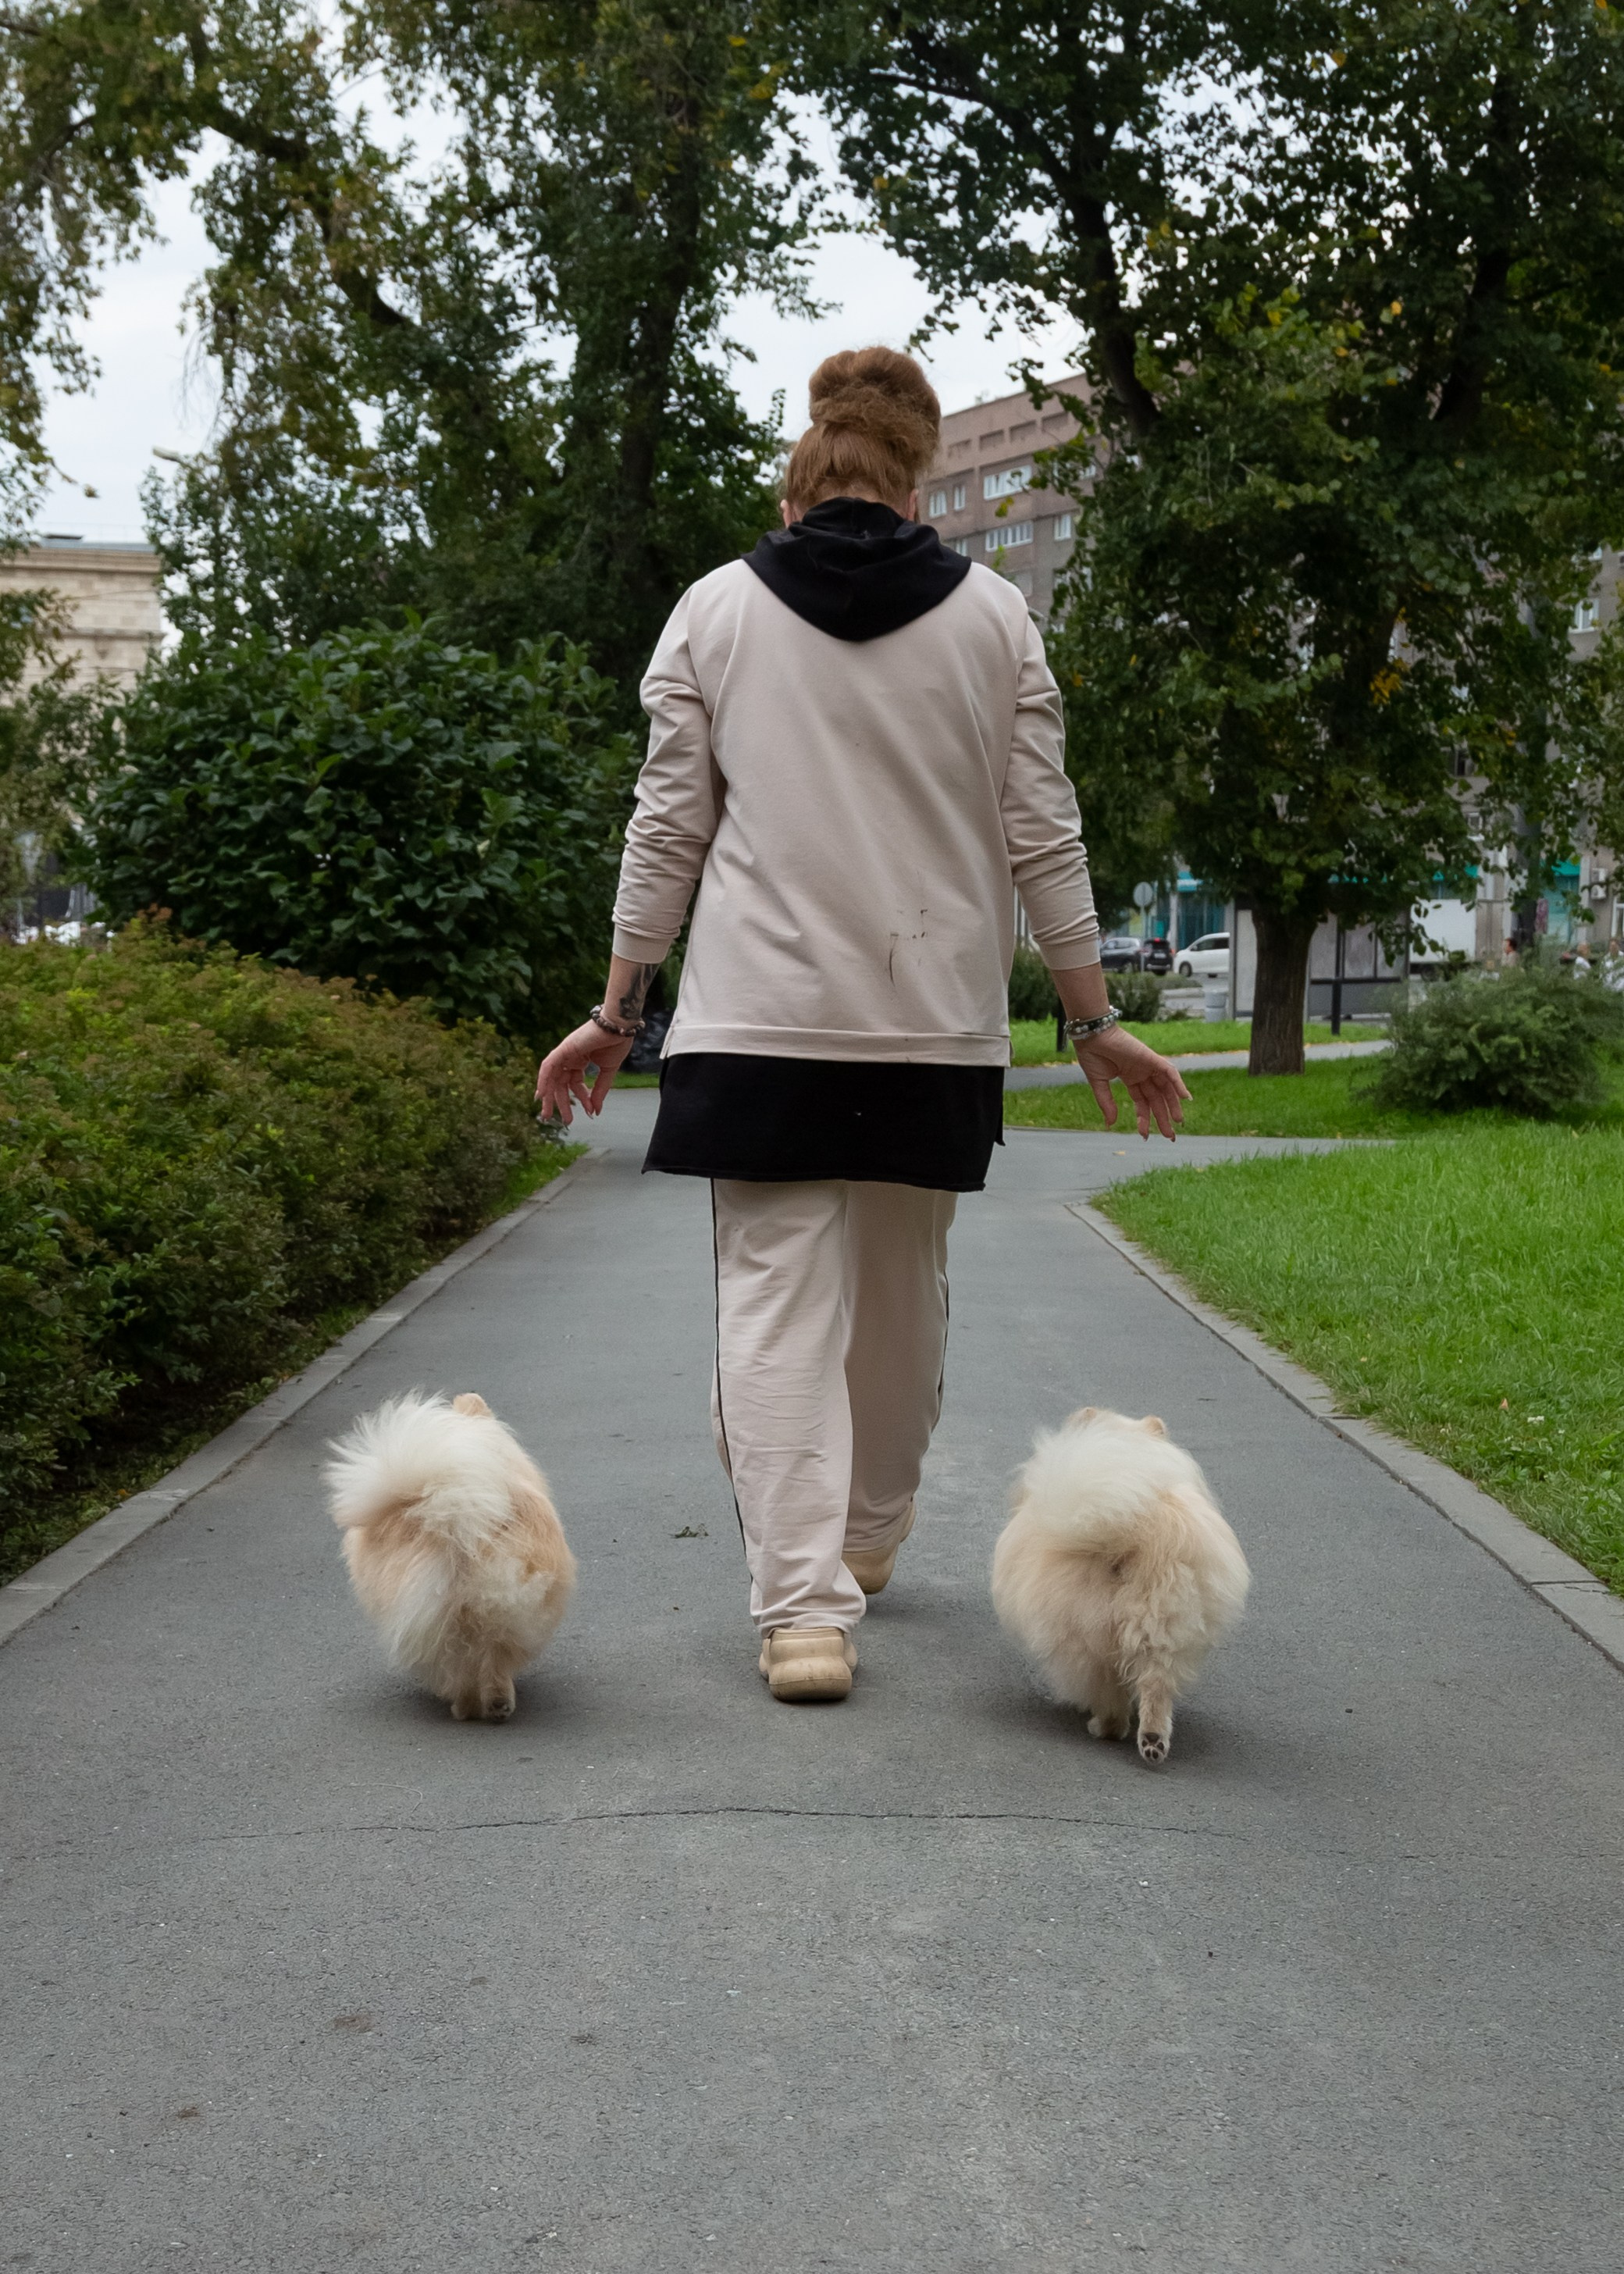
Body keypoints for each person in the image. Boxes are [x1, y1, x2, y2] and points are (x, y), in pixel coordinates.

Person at [537, 348, 1189, 1704]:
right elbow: (1043, 837)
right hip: (931, 1026)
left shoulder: (711, 613)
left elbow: (668, 828)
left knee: (772, 1312)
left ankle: (802, 1618)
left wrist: (617, 1008)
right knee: (900, 1301)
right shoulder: (998, 619)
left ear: (803, 467)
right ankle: (871, 1536)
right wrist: (1093, 1020)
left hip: (758, 1023)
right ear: (919, 472)